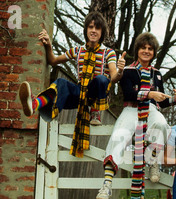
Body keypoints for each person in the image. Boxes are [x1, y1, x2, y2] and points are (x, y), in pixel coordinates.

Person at [96, 32, 176, 199]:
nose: (146, 51)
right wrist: (151, 93)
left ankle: (153, 161)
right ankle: (107, 183)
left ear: (154, 52)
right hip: (131, 108)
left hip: (149, 109)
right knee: (119, 135)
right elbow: (128, 93)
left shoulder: (156, 73)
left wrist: (175, 98)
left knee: (161, 124)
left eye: (150, 49)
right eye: (143, 47)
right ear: (137, 50)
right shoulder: (127, 69)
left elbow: (160, 100)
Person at [18, 11, 126, 157]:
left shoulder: (109, 53)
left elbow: (113, 77)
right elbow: (53, 61)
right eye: (91, 27)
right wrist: (49, 45)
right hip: (79, 93)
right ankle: (35, 104)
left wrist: (120, 70)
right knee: (61, 83)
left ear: (102, 32)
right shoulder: (78, 50)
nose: (94, 31)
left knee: (101, 79)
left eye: (97, 28)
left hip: (95, 93)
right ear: (86, 29)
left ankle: (95, 113)